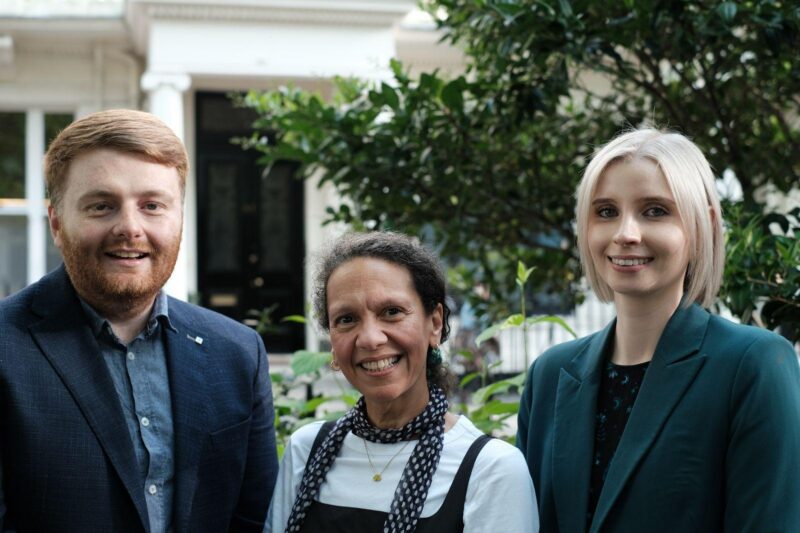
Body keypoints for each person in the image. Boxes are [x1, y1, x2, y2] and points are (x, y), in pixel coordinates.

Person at [0, 109, 278, 532]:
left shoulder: (237, 353)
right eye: (101, 206)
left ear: (180, 220)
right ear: (57, 223)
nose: (130, 228)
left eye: (152, 205)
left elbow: (253, 519)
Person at [517, 128, 800, 532]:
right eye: (606, 211)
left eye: (655, 211)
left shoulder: (753, 364)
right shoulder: (550, 375)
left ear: (703, 225)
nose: (625, 234)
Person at [266, 232, 538, 532]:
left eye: (392, 312)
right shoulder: (306, 451)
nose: (370, 338)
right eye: (346, 319)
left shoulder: (489, 470)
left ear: (434, 323)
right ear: (331, 339)